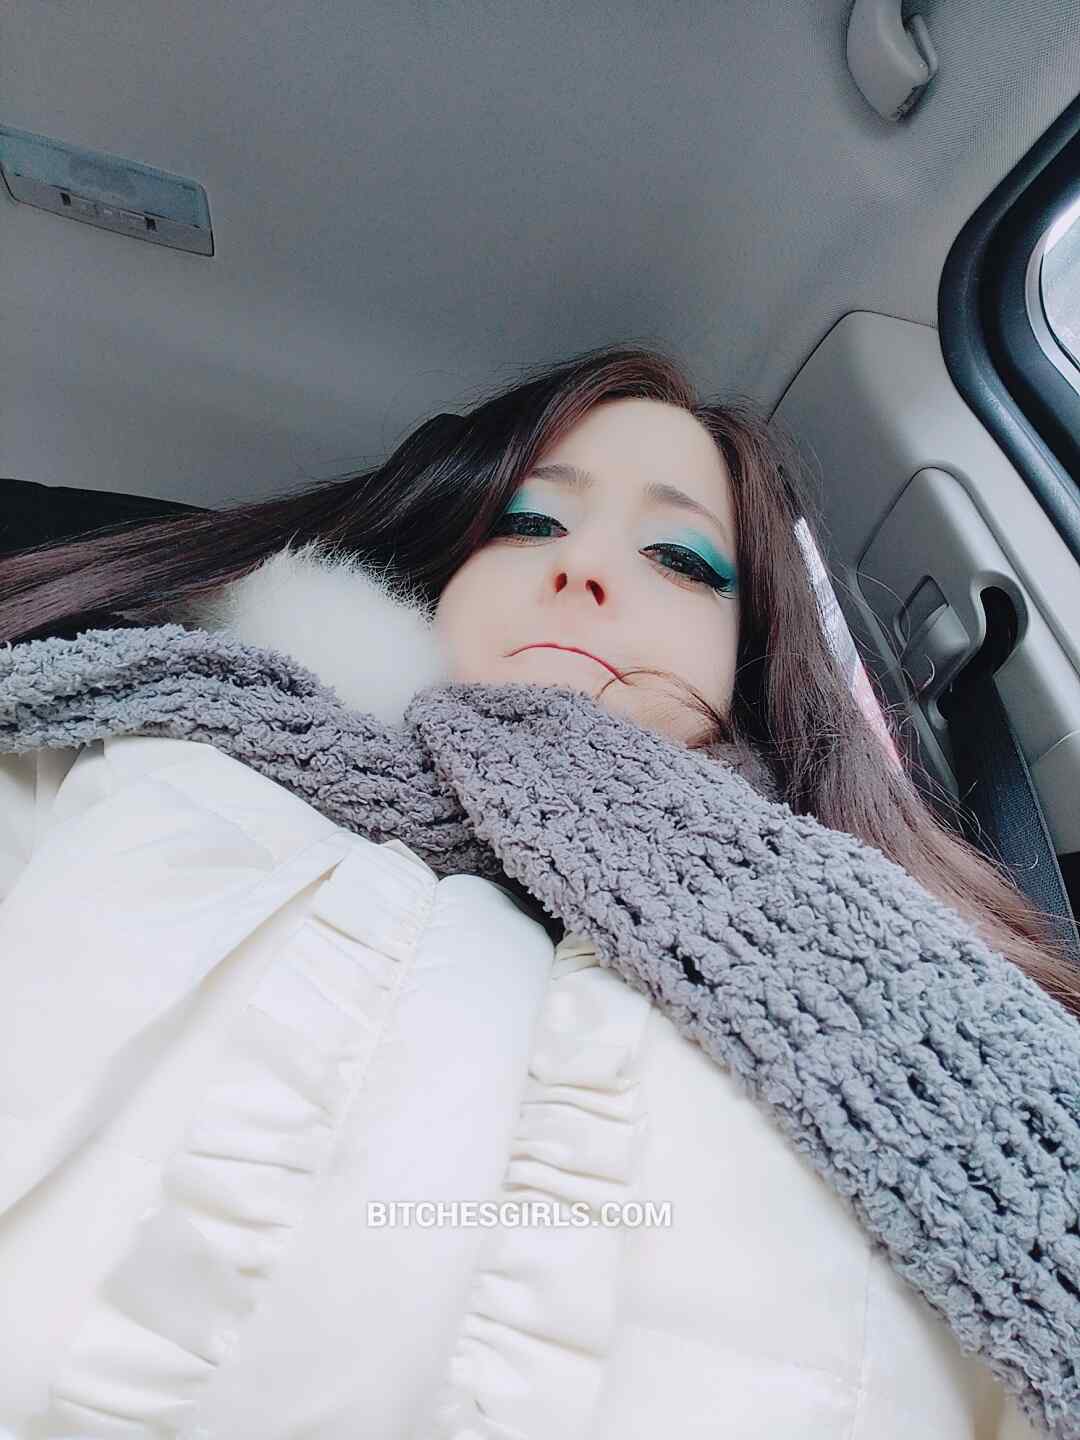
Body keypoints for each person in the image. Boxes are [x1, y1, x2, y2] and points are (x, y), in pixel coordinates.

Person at [0, 343, 1070, 1438]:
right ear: (438, 558)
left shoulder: (907, 972)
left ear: (747, 653)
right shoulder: (143, 752)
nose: (586, 569)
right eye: (527, 524)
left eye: (681, 558)